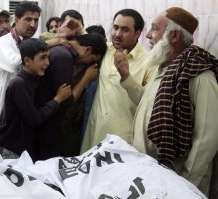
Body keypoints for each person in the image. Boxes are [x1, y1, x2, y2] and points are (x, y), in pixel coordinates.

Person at [115, 7, 218, 196]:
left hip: (179, 184)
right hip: (151, 177)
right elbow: (149, 105)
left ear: (175, 36)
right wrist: (126, 76)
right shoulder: (162, 68)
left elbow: (207, 139)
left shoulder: (200, 75)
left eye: (154, 28)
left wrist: (183, 185)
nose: (148, 35)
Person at [0, 38, 72, 161]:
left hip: (21, 148)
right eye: (42, 58)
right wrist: (58, 99)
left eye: (48, 57)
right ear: (27, 61)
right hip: (9, 149)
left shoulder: (34, 79)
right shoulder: (19, 84)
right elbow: (35, 119)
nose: (48, 63)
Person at [81, 9, 148, 152]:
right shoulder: (106, 49)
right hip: (95, 134)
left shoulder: (148, 61)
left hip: (123, 141)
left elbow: (147, 102)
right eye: (115, 27)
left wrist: (126, 76)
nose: (117, 34)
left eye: (125, 30)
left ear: (137, 33)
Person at [35, 33, 107, 160]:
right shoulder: (64, 58)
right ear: (87, 50)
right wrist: (86, 78)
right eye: (91, 60)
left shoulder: (60, 50)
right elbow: (64, 102)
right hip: (45, 126)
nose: (86, 66)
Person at [0, 1, 41, 137]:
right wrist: (45, 45)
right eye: (28, 19)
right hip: (0, 112)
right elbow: (16, 65)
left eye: (36, 20)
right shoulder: (3, 43)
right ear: (16, 20)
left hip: (19, 110)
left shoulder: (27, 43)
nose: (33, 25)